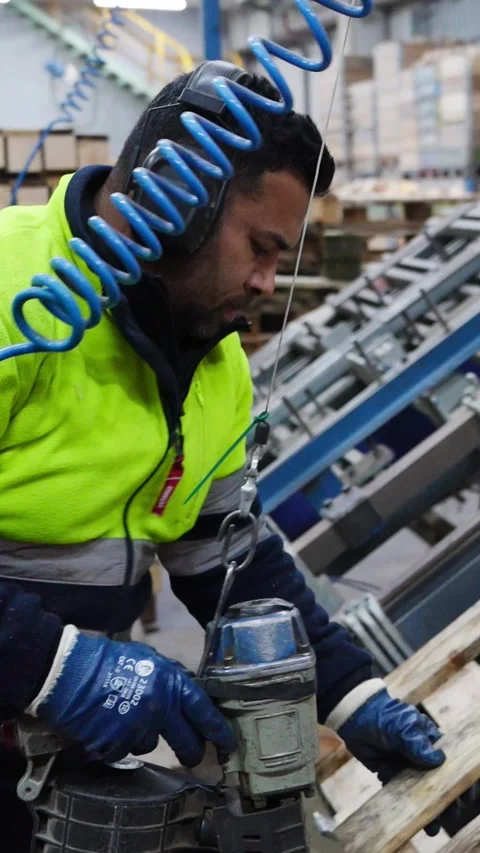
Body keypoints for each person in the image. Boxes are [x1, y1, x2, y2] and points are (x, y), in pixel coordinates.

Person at [0, 64, 446, 849]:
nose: (268, 283)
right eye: (263, 247)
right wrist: (55, 666)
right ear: (179, 201)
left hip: (37, 753)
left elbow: (231, 563)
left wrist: (351, 695)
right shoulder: (17, 294)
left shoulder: (217, 363)